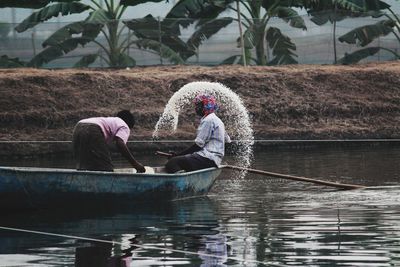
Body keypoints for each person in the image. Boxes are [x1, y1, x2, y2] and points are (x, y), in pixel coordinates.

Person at [165, 94, 230, 173]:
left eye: (198, 106)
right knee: (180, 161)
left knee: (172, 163)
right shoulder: (217, 120)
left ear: (206, 106)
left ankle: (182, 180)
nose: (196, 109)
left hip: (207, 158)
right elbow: (227, 140)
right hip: (213, 159)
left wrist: (178, 155)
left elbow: (198, 145)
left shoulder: (208, 120)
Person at [72, 110, 145, 172]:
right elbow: (120, 143)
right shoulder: (124, 125)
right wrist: (135, 164)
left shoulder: (111, 121)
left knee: (83, 164)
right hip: (93, 129)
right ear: (129, 123)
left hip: (78, 127)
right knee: (106, 167)